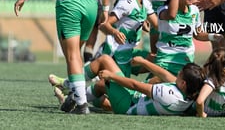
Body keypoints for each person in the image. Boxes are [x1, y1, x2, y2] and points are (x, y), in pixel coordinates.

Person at [51, 54, 205, 115]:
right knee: (101, 90)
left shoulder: (170, 94)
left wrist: (112, 76)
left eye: (180, 74)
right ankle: (72, 98)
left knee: (105, 61)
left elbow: (136, 86)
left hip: (129, 105)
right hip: (134, 101)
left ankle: (68, 85)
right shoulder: (188, 95)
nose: (177, 74)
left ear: (184, 83)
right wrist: (144, 61)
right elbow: (165, 75)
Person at [155, 0, 222, 76]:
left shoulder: (194, 11)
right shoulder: (163, 10)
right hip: (165, 59)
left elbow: (198, 34)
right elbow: (172, 15)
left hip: (186, 60)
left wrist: (213, 36)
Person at [97, 0, 158, 77]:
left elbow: (158, 25)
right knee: (121, 92)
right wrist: (115, 33)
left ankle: (150, 88)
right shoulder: (128, 1)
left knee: (158, 60)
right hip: (116, 53)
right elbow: (103, 25)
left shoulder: (145, 2)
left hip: (128, 52)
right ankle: (69, 84)